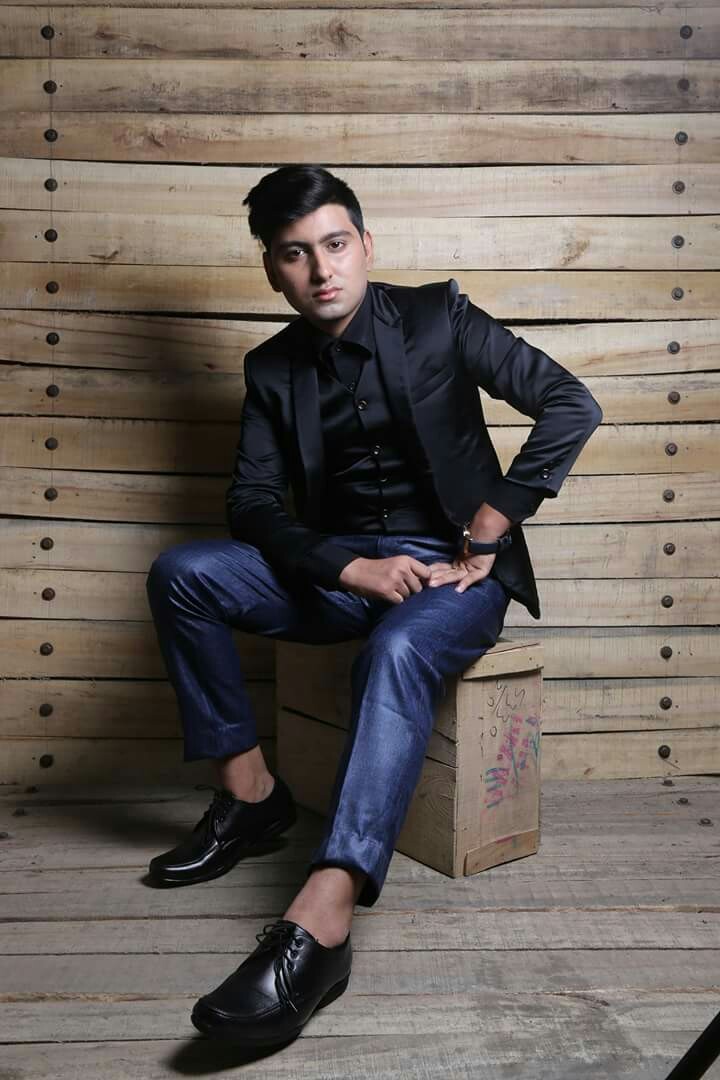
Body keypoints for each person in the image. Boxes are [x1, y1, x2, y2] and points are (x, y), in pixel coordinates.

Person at [144, 164, 603, 1048]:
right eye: (295, 254)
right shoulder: (271, 368)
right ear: (272, 269)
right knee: (183, 573)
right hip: (340, 574)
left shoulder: (439, 318)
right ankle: (251, 798)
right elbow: (251, 505)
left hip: (456, 574)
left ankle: (326, 914)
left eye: (336, 244)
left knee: (396, 651)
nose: (322, 270)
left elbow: (568, 403)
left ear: (365, 244)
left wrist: (495, 520)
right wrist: (347, 566)